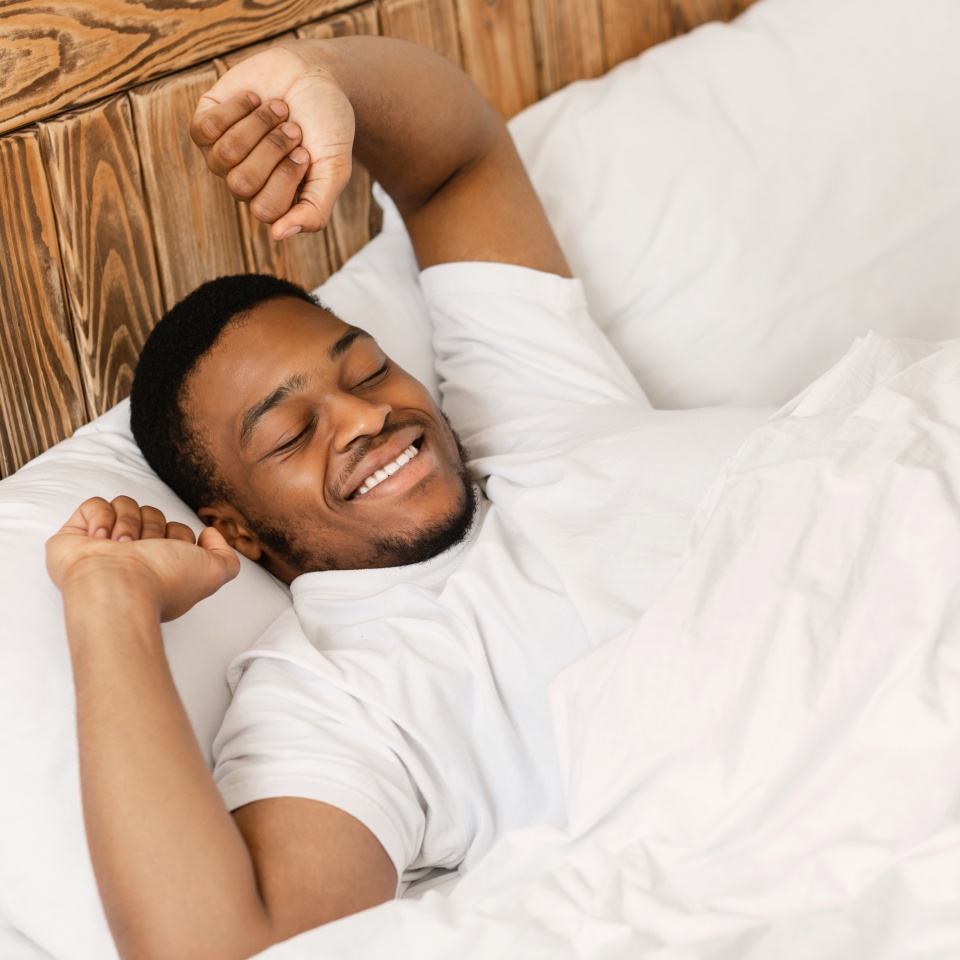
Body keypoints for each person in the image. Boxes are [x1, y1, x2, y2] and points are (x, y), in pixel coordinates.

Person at [45, 35, 763, 960]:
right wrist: (109, 603)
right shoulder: (340, 691)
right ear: (235, 531)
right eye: (292, 434)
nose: (363, 417)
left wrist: (324, 81)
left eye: (368, 368)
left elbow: (456, 163)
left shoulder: (533, 410)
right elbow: (220, 947)